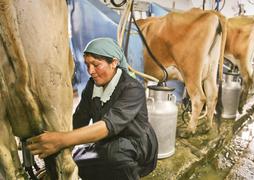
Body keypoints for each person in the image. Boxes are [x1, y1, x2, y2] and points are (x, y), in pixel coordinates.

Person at [27, 37, 158, 180]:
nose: (90, 71)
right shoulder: (92, 86)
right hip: (108, 144)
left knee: (115, 154)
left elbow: (108, 126)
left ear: (114, 62)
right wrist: (62, 153)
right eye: (87, 65)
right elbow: (79, 118)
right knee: (78, 161)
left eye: (96, 65)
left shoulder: (132, 88)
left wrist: (61, 140)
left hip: (137, 147)